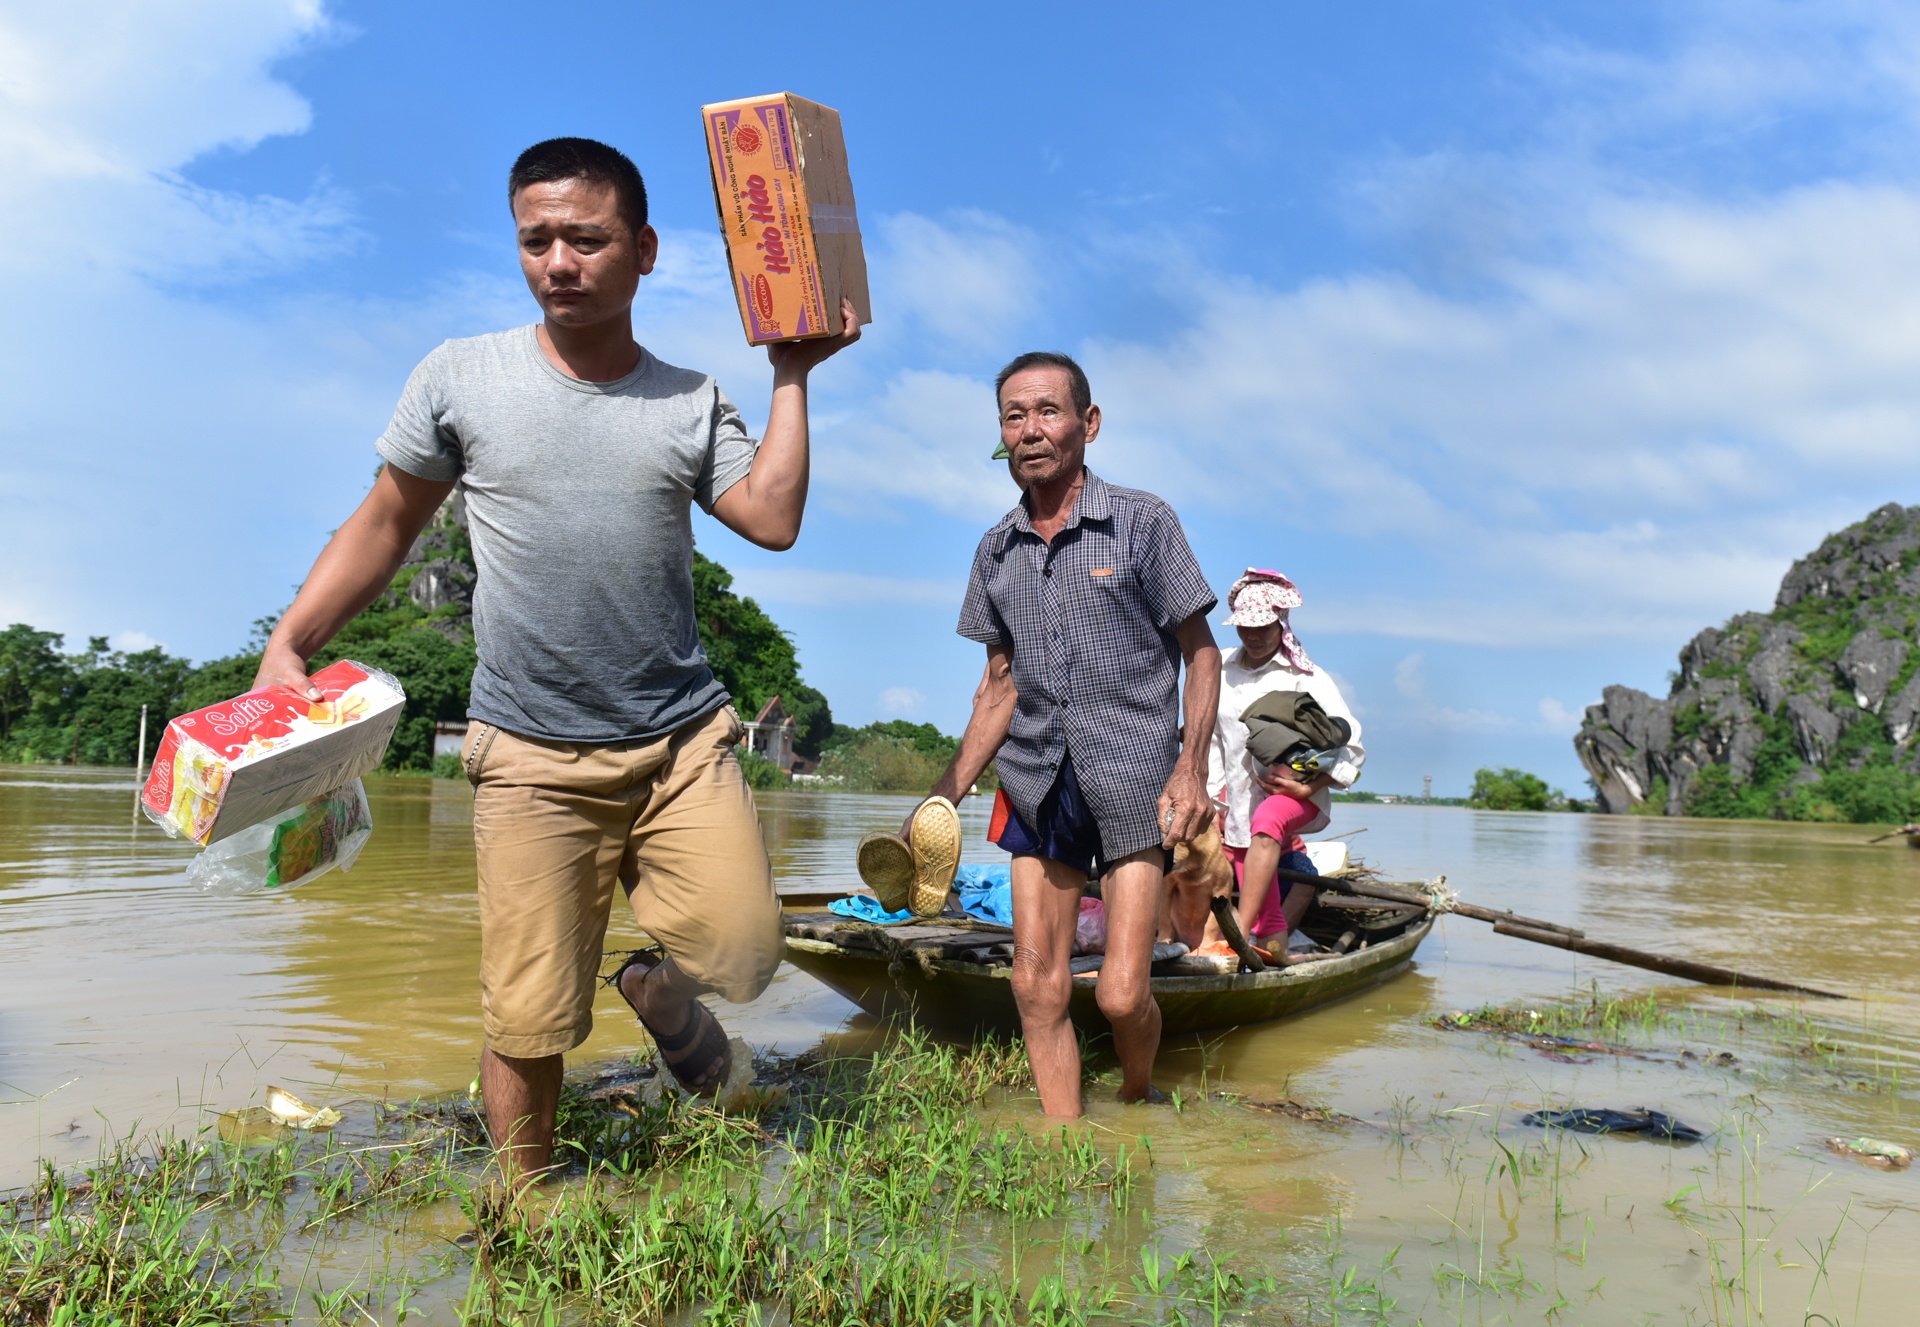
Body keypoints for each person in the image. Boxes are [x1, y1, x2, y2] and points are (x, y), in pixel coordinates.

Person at [249, 137, 859, 1187]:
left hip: (679, 743)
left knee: (748, 951)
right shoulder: (460, 377)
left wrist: (792, 375)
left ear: (645, 250)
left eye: (587, 238)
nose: (559, 262)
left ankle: (665, 998)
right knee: (527, 1013)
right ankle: (525, 1204)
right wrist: (289, 641)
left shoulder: (686, 397)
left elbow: (770, 517)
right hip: (529, 751)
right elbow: (386, 525)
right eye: (537, 241)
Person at [914, 351, 1221, 1117]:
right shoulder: (995, 549)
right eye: (1014, 416)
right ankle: (1064, 1141)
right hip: (1035, 775)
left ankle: (1140, 1093)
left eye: (1048, 411)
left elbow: (1202, 651)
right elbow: (998, 686)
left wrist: (1190, 768)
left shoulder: (1142, 522)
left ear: (1088, 424)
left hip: (1133, 775)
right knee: (1033, 981)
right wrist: (941, 798)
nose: (1031, 430)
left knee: (1120, 995)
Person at [1188, 570, 1364, 952]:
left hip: (1294, 794)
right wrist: (1216, 799)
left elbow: (1350, 746)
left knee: (1267, 822)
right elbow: (1214, 742)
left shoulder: (1306, 676)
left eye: (1262, 628)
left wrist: (1309, 786)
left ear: (1281, 623)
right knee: (1270, 911)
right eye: (1244, 628)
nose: (1252, 636)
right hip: (1239, 800)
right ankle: (1265, 945)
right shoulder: (1221, 669)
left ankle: (1239, 930)